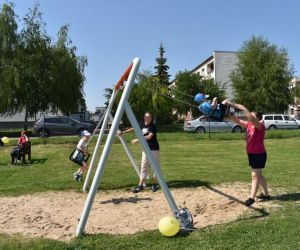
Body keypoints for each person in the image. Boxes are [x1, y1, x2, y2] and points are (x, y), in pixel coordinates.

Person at [228, 104, 270, 206]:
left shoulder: (260, 126)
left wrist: (243, 108)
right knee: (258, 174)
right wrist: (228, 112)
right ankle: (266, 195)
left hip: (259, 153)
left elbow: (250, 118)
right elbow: (237, 120)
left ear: (258, 118)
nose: (248, 117)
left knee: (255, 175)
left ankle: (252, 198)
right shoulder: (249, 125)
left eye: (252, 116)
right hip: (251, 153)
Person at [118, 112, 160, 193]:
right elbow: (133, 128)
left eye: (151, 117)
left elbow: (150, 136)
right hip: (145, 149)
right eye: (148, 117)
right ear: (145, 118)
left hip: (154, 149)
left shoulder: (153, 126)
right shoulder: (141, 124)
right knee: (144, 166)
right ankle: (140, 185)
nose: (150, 118)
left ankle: (155, 184)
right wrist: (123, 132)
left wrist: (137, 140)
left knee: (155, 167)